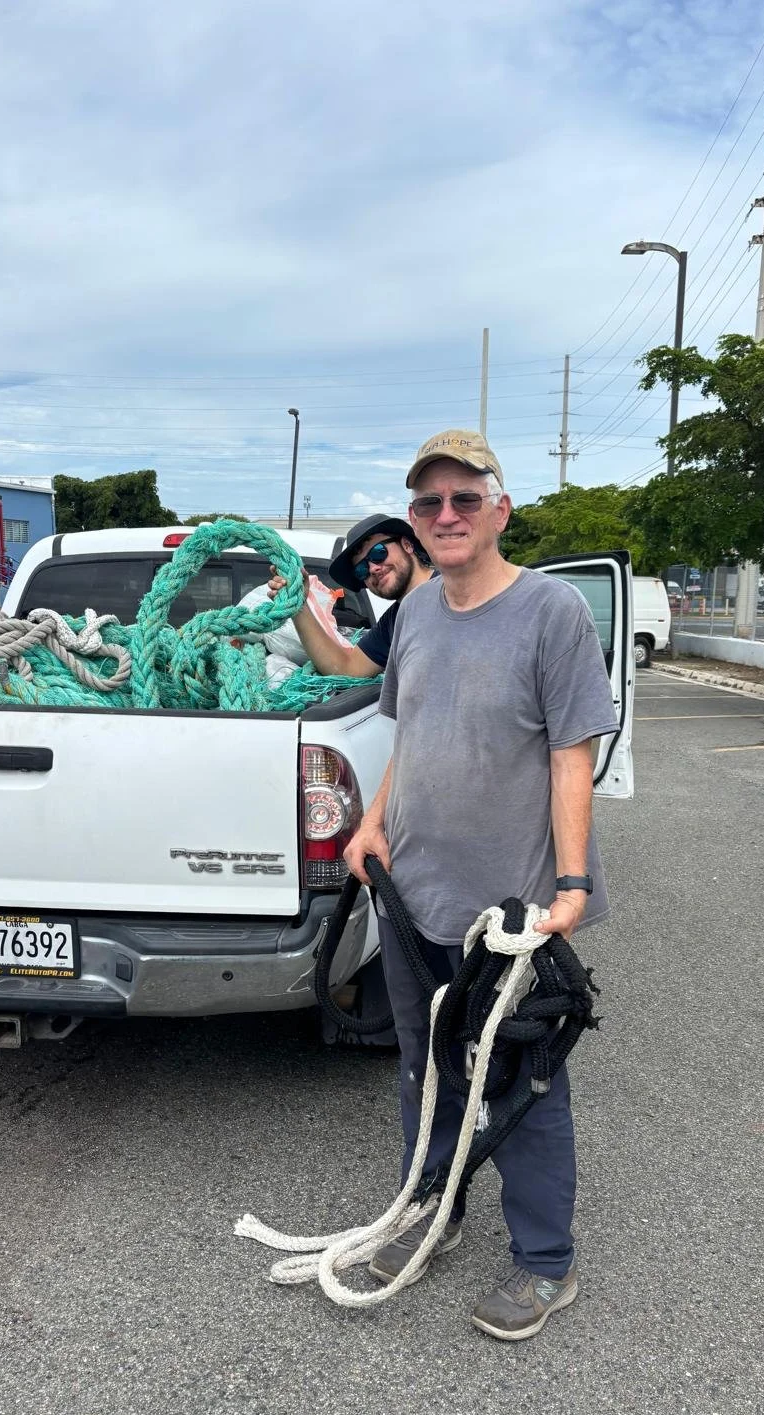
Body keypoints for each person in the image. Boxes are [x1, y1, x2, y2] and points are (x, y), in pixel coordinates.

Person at [342, 429, 620, 1342]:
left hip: (511, 914)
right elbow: (406, 734)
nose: (447, 515)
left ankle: (546, 1263)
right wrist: (374, 822)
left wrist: (573, 882)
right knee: (424, 1070)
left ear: (501, 508)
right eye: (430, 504)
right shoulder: (416, 614)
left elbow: (573, 755)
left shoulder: (551, 614)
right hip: (412, 894)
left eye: (466, 499)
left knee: (521, 1081)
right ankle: (436, 1209)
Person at [266, 512, 433, 677]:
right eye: (361, 569)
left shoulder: (452, 588)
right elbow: (347, 668)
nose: (372, 569)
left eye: (378, 553)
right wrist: (299, 603)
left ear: (407, 545)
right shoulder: (394, 622)